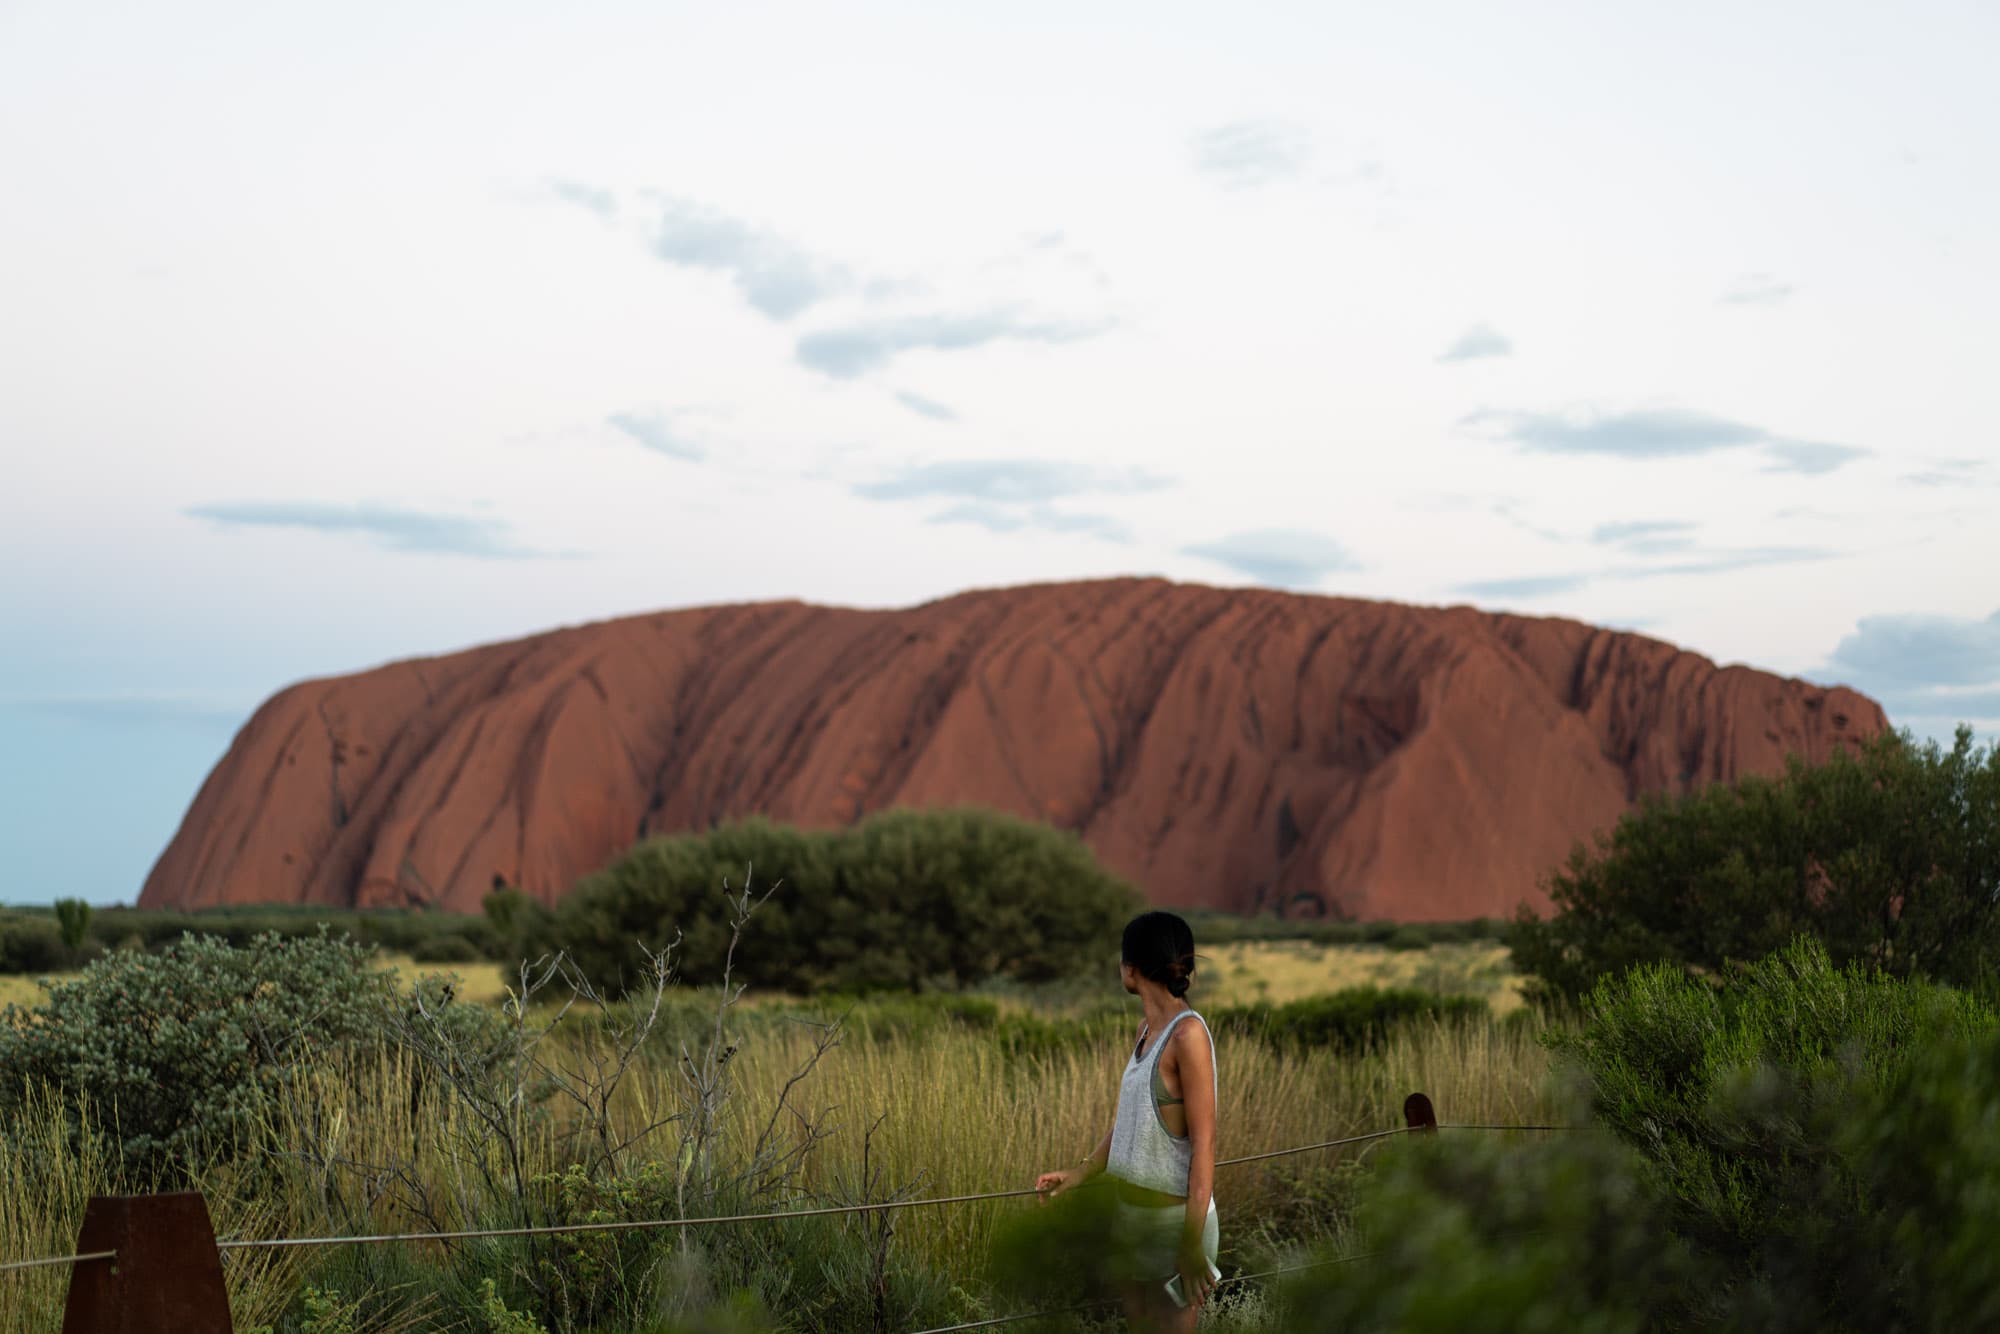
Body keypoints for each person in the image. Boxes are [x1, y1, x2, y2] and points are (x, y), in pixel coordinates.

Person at [1036, 911, 1219, 1330]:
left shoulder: (1187, 1037)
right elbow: (1132, 1123)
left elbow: (1205, 1145)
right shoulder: (1146, 1029)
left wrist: (1191, 1245)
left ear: (1131, 968)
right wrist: (1080, 1173)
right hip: (1132, 1221)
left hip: (1176, 1225)